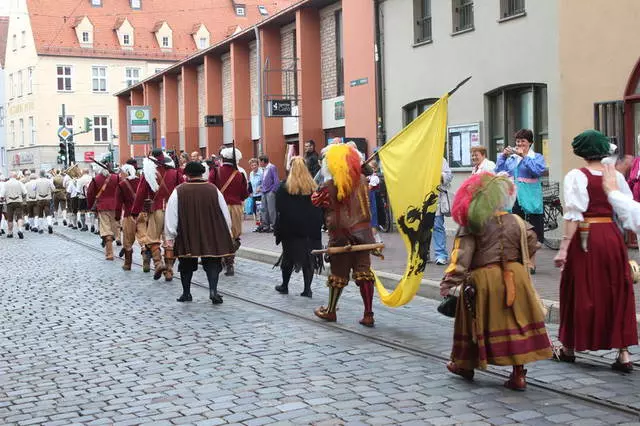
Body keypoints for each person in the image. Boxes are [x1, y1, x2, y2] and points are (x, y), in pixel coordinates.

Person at [441, 172, 552, 390]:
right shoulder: (518, 221)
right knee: (517, 323)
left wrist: (449, 281)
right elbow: (532, 243)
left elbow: (462, 256)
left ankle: (464, 365)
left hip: (484, 280)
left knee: (473, 323)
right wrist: (517, 264)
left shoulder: (473, 223)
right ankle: (519, 374)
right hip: (517, 278)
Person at [553, 130, 638, 372]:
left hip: (586, 238)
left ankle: (569, 348)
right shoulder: (615, 176)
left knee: (579, 287)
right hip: (611, 236)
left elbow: (573, 214)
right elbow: (625, 207)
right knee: (616, 288)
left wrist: (563, 249)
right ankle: (623, 354)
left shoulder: (576, 176)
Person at [311, 143, 377, 327]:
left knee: (338, 274)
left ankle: (331, 310)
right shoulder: (363, 181)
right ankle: (368, 313)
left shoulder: (328, 186)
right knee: (363, 272)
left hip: (340, 236)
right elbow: (369, 178)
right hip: (364, 235)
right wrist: (361, 169)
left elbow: (315, 200)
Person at [165, 161, 235, 304]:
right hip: (211, 231)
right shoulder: (213, 189)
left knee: (186, 264)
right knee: (212, 262)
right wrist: (227, 230)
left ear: (187, 174)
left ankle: (186, 293)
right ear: (202, 173)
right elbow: (225, 213)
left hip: (187, 231)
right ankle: (213, 291)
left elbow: (172, 215)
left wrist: (170, 235)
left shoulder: (179, 190)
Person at [273, 157, 323, 297]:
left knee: (288, 257)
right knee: (309, 259)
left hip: (291, 230)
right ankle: (307, 289)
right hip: (311, 230)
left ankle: (285, 285)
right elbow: (320, 208)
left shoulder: (284, 188)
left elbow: (279, 209)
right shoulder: (313, 187)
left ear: (291, 167)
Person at [132, 149, 184, 281]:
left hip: (156, 209)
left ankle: (158, 264)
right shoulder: (174, 172)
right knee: (169, 240)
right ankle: (169, 271)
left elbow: (140, 194)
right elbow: (181, 192)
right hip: (172, 210)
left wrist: (135, 211)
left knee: (152, 239)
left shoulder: (149, 172)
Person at [494, 129, 546, 244]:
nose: (519, 144)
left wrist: (524, 157)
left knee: (534, 235)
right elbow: (498, 170)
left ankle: (531, 260)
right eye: (517, 141)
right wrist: (503, 156)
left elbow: (537, 171)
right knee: (516, 232)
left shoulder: (537, 157)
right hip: (514, 199)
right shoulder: (512, 158)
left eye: (523, 141)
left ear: (530, 142)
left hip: (531, 199)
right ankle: (521, 259)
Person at [208, 147, 249, 276]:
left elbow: (210, 190)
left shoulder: (215, 171)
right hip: (235, 207)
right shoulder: (240, 174)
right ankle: (230, 262)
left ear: (223, 159)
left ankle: (221, 258)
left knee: (219, 234)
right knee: (234, 236)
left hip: (219, 207)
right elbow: (244, 194)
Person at [86, 161, 121, 261]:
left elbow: (90, 193)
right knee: (114, 227)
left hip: (102, 206)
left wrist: (90, 206)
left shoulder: (96, 179)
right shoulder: (116, 178)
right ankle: (110, 240)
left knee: (106, 228)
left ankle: (109, 254)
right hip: (115, 205)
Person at [118, 162, 146, 271]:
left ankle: (127, 264)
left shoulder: (122, 185)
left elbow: (118, 203)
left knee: (128, 240)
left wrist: (117, 217)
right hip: (142, 213)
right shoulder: (140, 181)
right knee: (143, 237)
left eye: (122, 173)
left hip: (129, 214)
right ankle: (145, 257)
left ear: (126, 172)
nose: (121, 175)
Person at [431, 158, 453, 265]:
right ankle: (423, 254)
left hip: (436, 197)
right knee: (422, 228)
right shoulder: (418, 157)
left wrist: (439, 175)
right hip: (420, 199)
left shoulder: (439, 158)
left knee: (437, 225)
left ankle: (440, 254)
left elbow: (449, 176)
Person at [0, 172, 27, 239]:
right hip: (18, 201)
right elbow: (25, 192)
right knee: (19, 217)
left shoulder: (6, 184)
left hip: (9, 202)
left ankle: (10, 232)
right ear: (16, 176)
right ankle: (20, 230)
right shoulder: (19, 183)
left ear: (10, 176)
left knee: (10, 218)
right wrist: (22, 197)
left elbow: (2, 195)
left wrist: (3, 199)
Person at [257, 155, 279, 233]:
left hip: (270, 191)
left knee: (271, 209)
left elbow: (276, 180)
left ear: (263, 161)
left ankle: (274, 226)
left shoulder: (272, 167)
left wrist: (273, 190)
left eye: (259, 161)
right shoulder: (264, 169)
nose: (259, 163)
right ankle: (266, 225)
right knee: (264, 209)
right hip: (264, 191)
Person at [34, 170, 55, 234]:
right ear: (45, 174)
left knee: (40, 214)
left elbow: (33, 189)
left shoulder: (36, 181)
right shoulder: (49, 181)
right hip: (47, 199)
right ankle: (49, 224)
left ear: (40, 174)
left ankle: (41, 228)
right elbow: (53, 189)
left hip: (39, 199)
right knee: (48, 213)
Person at [246, 158, 263, 224]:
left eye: (255, 165)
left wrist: (260, 187)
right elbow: (250, 183)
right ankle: (258, 224)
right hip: (254, 195)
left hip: (260, 194)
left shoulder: (261, 172)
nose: (254, 167)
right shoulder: (251, 173)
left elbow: (264, 182)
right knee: (254, 210)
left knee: (260, 210)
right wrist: (249, 192)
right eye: (252, 165)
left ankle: (262, 224)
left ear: (258, 165)